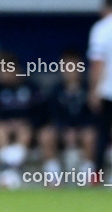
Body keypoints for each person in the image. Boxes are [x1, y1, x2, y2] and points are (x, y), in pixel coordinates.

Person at [0, 53, 42, 189]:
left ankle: (8, 169)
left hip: (27, 128)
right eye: (0, 70)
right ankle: (10, 169)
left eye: (5, 69)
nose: (3, 74)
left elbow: (41, 112)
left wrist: (26, 122)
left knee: (24, 130)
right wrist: (7, 122)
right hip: (4, 127)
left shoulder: (30, 87)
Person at [39, 51, 96, 180]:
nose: (70, 71)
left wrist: (78, 130)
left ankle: (88, 175)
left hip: (83, 129)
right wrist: (64, 130)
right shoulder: (55, 90)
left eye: (74, 67)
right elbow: (51, 115)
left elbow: (94, 115)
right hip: (61, 130)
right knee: (46, 134)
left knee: (91, 135)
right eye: (66, 67)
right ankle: (53, 175)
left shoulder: (89, 90)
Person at [88, 0, 112, 178]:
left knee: (103, 134)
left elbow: (98, 62)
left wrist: (93, 90)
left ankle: (96, 176)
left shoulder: (102, 28)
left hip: (108, 90)